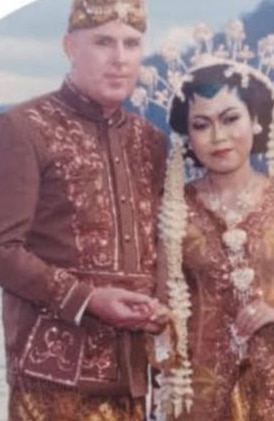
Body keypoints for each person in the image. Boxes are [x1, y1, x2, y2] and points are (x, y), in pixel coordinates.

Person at [0, 0, 168, 420]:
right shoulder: (24, 127)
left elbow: (164, 244)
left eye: (132, 43)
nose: (120, 58)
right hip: (53, 379)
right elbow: (4, 249)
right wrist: (89, 299)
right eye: (103, 42)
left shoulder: (150, 141)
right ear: (69, 47)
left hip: (133, 371)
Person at [155, 53, 274, 420]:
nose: (219, 137)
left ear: (256, 121)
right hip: (198, 390)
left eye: (230, 119)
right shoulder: (174, 206)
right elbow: (162, 299)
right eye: (202, 124)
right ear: (188, 137)